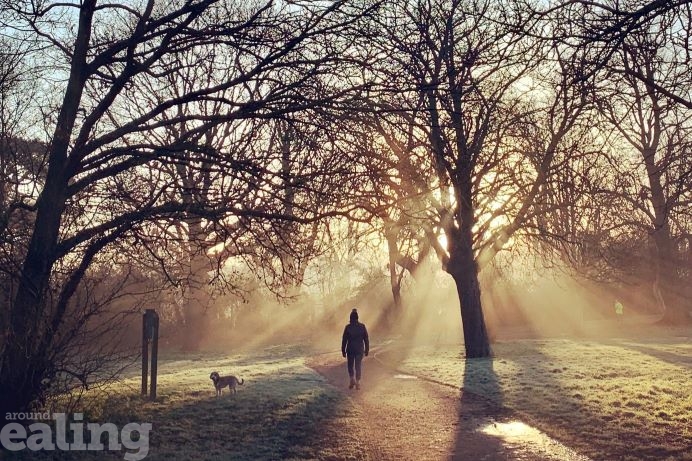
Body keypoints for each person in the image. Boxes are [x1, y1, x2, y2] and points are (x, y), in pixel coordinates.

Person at [341, 308, 369, 390]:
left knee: (350, 364)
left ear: (350, 318)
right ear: (357, 318)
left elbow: (344, 339)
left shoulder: (348, 327)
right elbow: (366, 339)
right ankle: (358, 382)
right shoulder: (362, 326)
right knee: (358, 365)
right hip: (359, 349)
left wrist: (343, 350)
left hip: (350, 349)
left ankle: (352, 379)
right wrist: (367, 349)